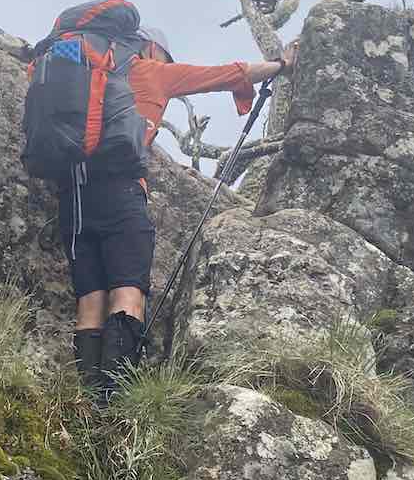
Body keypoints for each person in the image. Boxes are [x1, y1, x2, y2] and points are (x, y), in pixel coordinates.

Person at [63, 26, 294, 400]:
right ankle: (110, 406)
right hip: (122, 192)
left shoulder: (85, 74)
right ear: (151, 48)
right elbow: (227, 74)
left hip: (72, 193)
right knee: (128, 294)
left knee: (89, 301)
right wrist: (280, 65)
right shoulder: (152, 71)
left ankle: (86, 401)